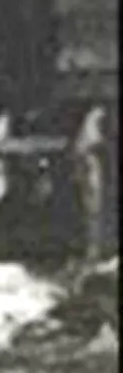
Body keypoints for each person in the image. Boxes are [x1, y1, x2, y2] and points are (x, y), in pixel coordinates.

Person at [70, 104, 113, 263]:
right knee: (94, 214)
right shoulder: (86, 149)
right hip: (91, 179)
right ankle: (94, 251)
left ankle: (96, 250)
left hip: (92, 176)